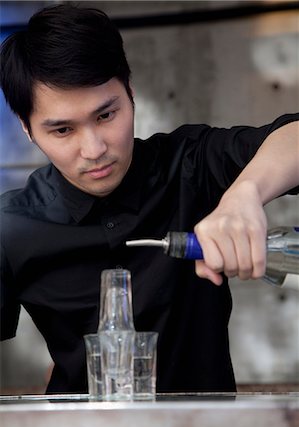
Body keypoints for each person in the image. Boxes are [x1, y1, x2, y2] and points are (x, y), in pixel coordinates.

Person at [0, 4, 298, 394]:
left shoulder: (191, 164)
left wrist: (245, 193)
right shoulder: (12, 228)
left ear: (131, 94)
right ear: (27, 129)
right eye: (62, 130)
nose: (93, 149)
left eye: (106, 115)